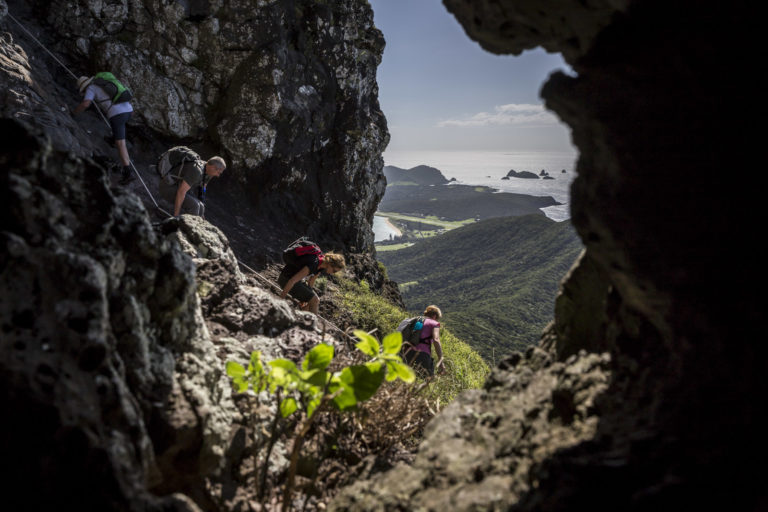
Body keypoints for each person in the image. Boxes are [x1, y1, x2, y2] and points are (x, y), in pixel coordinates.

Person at [73, 75, 135, 185]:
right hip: (129, 110)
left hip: (117, 114)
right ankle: (113, 139)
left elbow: (85, 104)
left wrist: (73, 113)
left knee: (120, 143)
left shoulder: (91, 88)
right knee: (119, 129)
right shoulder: (103, 82)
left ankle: (128, 172)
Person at [157, 148, 226, 217]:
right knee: (194, 206)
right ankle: (186, 226)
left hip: (178, 187)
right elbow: (181, 192)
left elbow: (203, 189)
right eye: (218, 172)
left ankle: (197, 225)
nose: (218, 175)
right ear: (213, 167)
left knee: (201, 206)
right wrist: (176, 215)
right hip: (167, 187)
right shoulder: (196, 171)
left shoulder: (208, 173)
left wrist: (202, 214)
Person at [278, 246, 345, 314]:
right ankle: (310, 323)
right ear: (330, 264)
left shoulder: (321, 266)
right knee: (315, 300)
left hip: (293, 281)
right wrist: (280, 300)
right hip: (285, 279)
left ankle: (300, 316)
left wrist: (306, 298)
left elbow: (311, 282)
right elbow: (292, 280)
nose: (333, 273)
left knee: (315, 300)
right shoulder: (314, 264)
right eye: (334, 271)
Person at [402, 305, 445, 377]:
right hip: (422, 355)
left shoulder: (415, 320)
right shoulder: (434, 323)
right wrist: (441, 361)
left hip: (406, 354)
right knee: (426, 382)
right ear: (434, 316)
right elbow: (436, 340)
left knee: (406, 381)